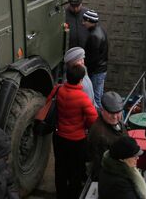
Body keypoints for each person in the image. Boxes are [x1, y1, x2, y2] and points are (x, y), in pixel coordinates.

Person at [48, 63, 98, 199]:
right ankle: (73, 195)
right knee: (75, 171)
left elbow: (48, 104)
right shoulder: (82, 98)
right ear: (81, 80)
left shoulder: (58, 89)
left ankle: (61, 194)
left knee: (60, 168)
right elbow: (94, 119)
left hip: (58, 137)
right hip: (76, 140)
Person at [87, 91, 128, 179]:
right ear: (102, 110)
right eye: (111, 113)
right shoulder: (99, 134)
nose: (115, 117)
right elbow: (102, 164)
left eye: (118, 112)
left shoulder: (115, 122)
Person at [82, 9, 109, 109]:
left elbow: (92, 58)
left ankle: (96, 121)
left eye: (85, 21)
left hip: (96, 72)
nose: (83, 23)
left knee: (95, 99)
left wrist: (86, 72)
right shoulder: (101, 30)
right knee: (99, 97)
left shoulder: (94, 36)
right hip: (101, 70)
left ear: (90, 21)